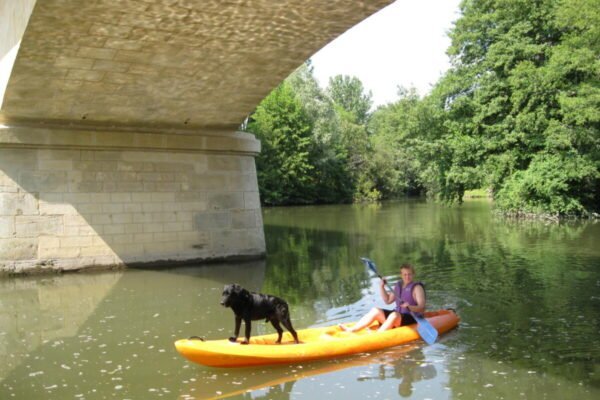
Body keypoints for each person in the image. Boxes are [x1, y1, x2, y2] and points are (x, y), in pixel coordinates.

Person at [339, 263, 426, 332]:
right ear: (401, 275)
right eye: (405, 274)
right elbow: (388, 301)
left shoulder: (417, 288)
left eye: (409, 274)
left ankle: (378, 336)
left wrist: (409, 307)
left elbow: (422, 308)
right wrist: (382, 287)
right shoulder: (398, 285)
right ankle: (352, 330)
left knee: (394, 314)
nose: (407, 277)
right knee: (375, 310)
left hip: (412, 318)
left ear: (413, 274)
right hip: (398, 317)